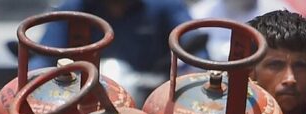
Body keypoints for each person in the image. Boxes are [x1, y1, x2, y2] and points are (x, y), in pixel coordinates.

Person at [32, 0, 197, 72]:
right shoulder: (73, 8)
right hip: (82, 102)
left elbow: (194, 45)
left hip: (151, 103)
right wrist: (34, 76)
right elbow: (44, 57)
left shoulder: (165, 5)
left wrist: (193, 73)